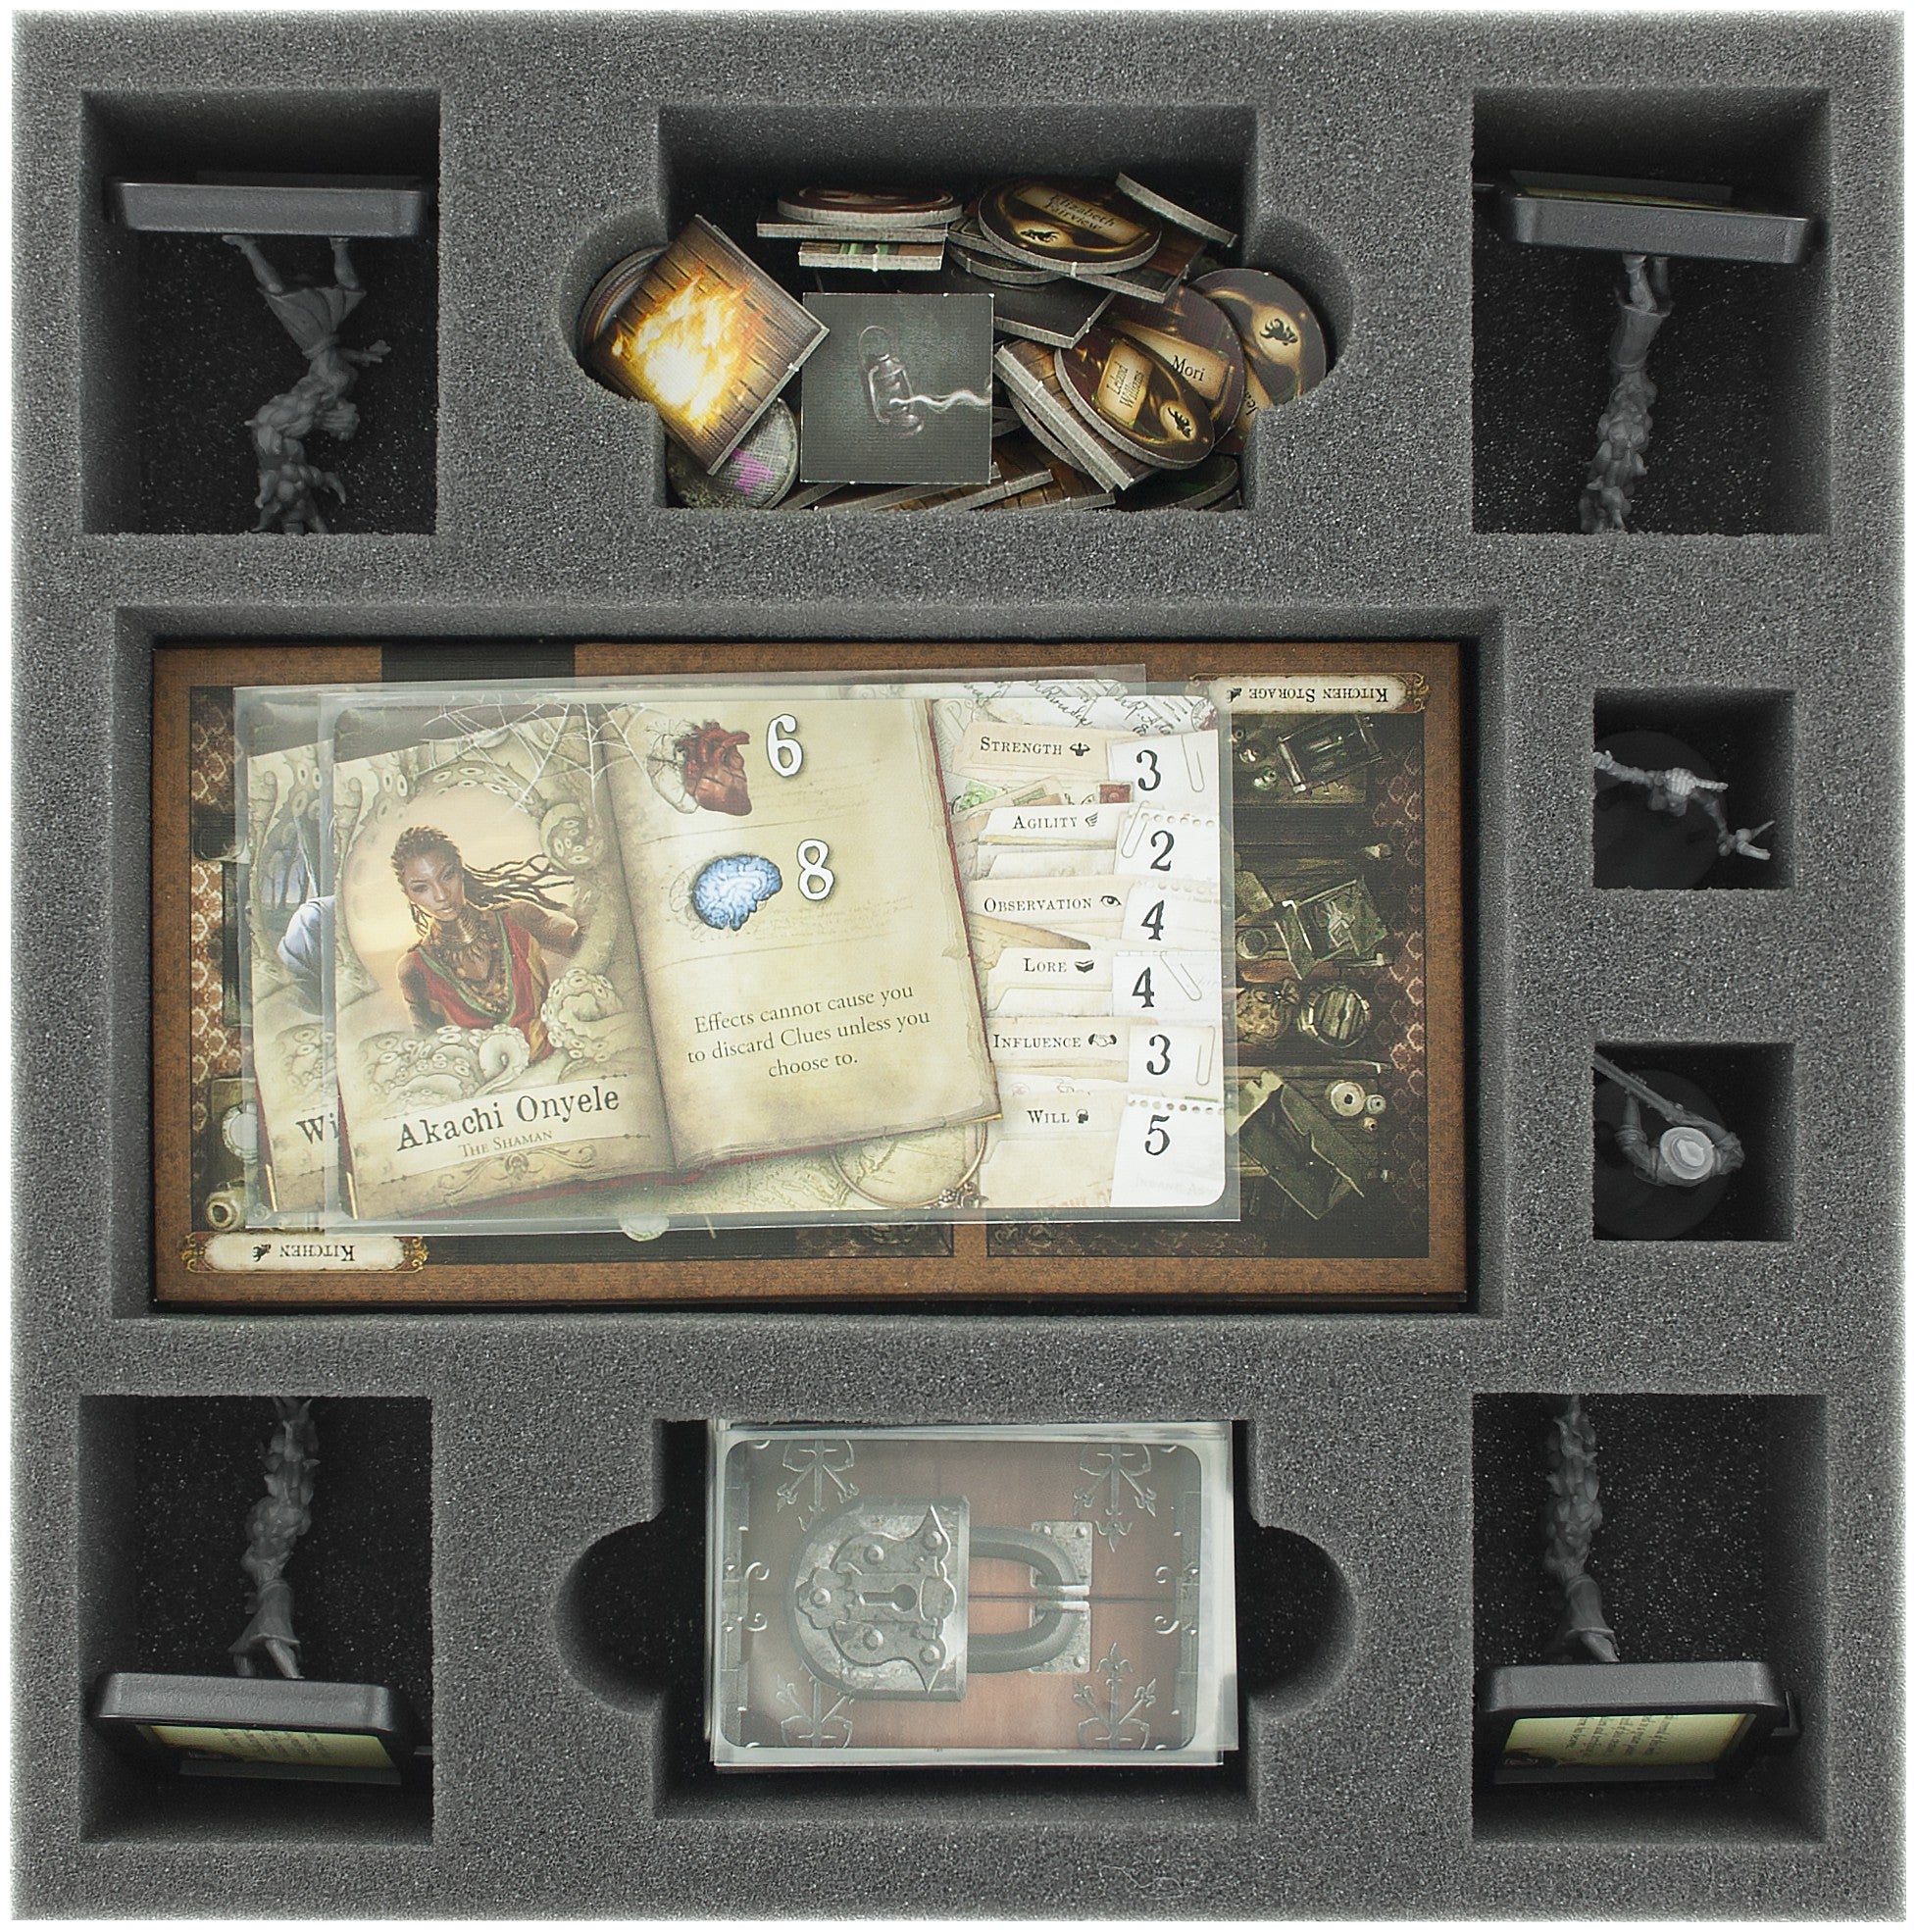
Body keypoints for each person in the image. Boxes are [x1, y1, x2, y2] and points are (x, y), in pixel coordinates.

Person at [389, 826, 580, 1061]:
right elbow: (429, 1053)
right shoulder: (414, 968)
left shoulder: (518, 918)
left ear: (461, 872)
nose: (441, 895)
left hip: (562, 1067)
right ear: (409, 895)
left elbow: (583, 943)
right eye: (421, 888)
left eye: (447, 876)